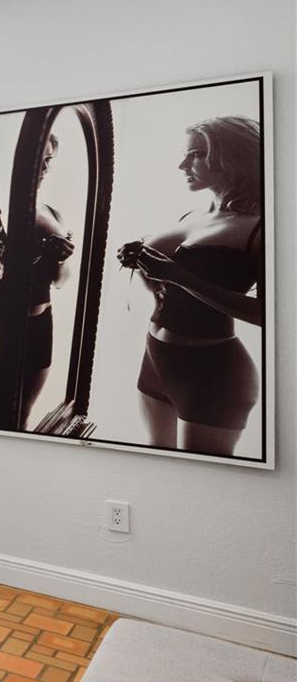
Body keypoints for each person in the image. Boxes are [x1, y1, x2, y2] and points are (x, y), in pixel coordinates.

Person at [120, 116, 263, 456]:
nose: (182, 164)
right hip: (156, 359)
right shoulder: (192, 216)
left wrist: (176, 275)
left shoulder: (259, 227)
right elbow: (163, 290)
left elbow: (267, 314)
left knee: (205, 481)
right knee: (159, 464)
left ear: (233, 157)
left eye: (196, 154)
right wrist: (142, 264)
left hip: (212, 371)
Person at [0, 135, 74, 429]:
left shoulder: (52, 212)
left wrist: (61, 259)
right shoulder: (6, 213)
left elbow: (61, 281)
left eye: (49, 160)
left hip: (44, 321)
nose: (43, 167)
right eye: (38, 159)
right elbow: (4, 272)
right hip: (13, 324)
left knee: (24, 414)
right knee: (7, 413)